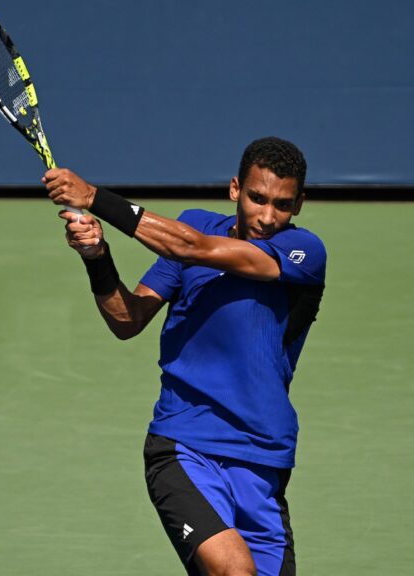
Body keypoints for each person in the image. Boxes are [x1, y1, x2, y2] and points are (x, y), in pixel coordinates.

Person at [43, 136, 326, 576]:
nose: (268, 217)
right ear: (235, 189)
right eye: (257, 198)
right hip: (184, 446)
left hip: (262, 459)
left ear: (300, 204)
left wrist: (95, 198)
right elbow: (128, 318)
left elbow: (193, 248)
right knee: (235, 572)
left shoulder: (304, 253)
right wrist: (97, 257)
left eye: (282, 205)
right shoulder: (193, 227)